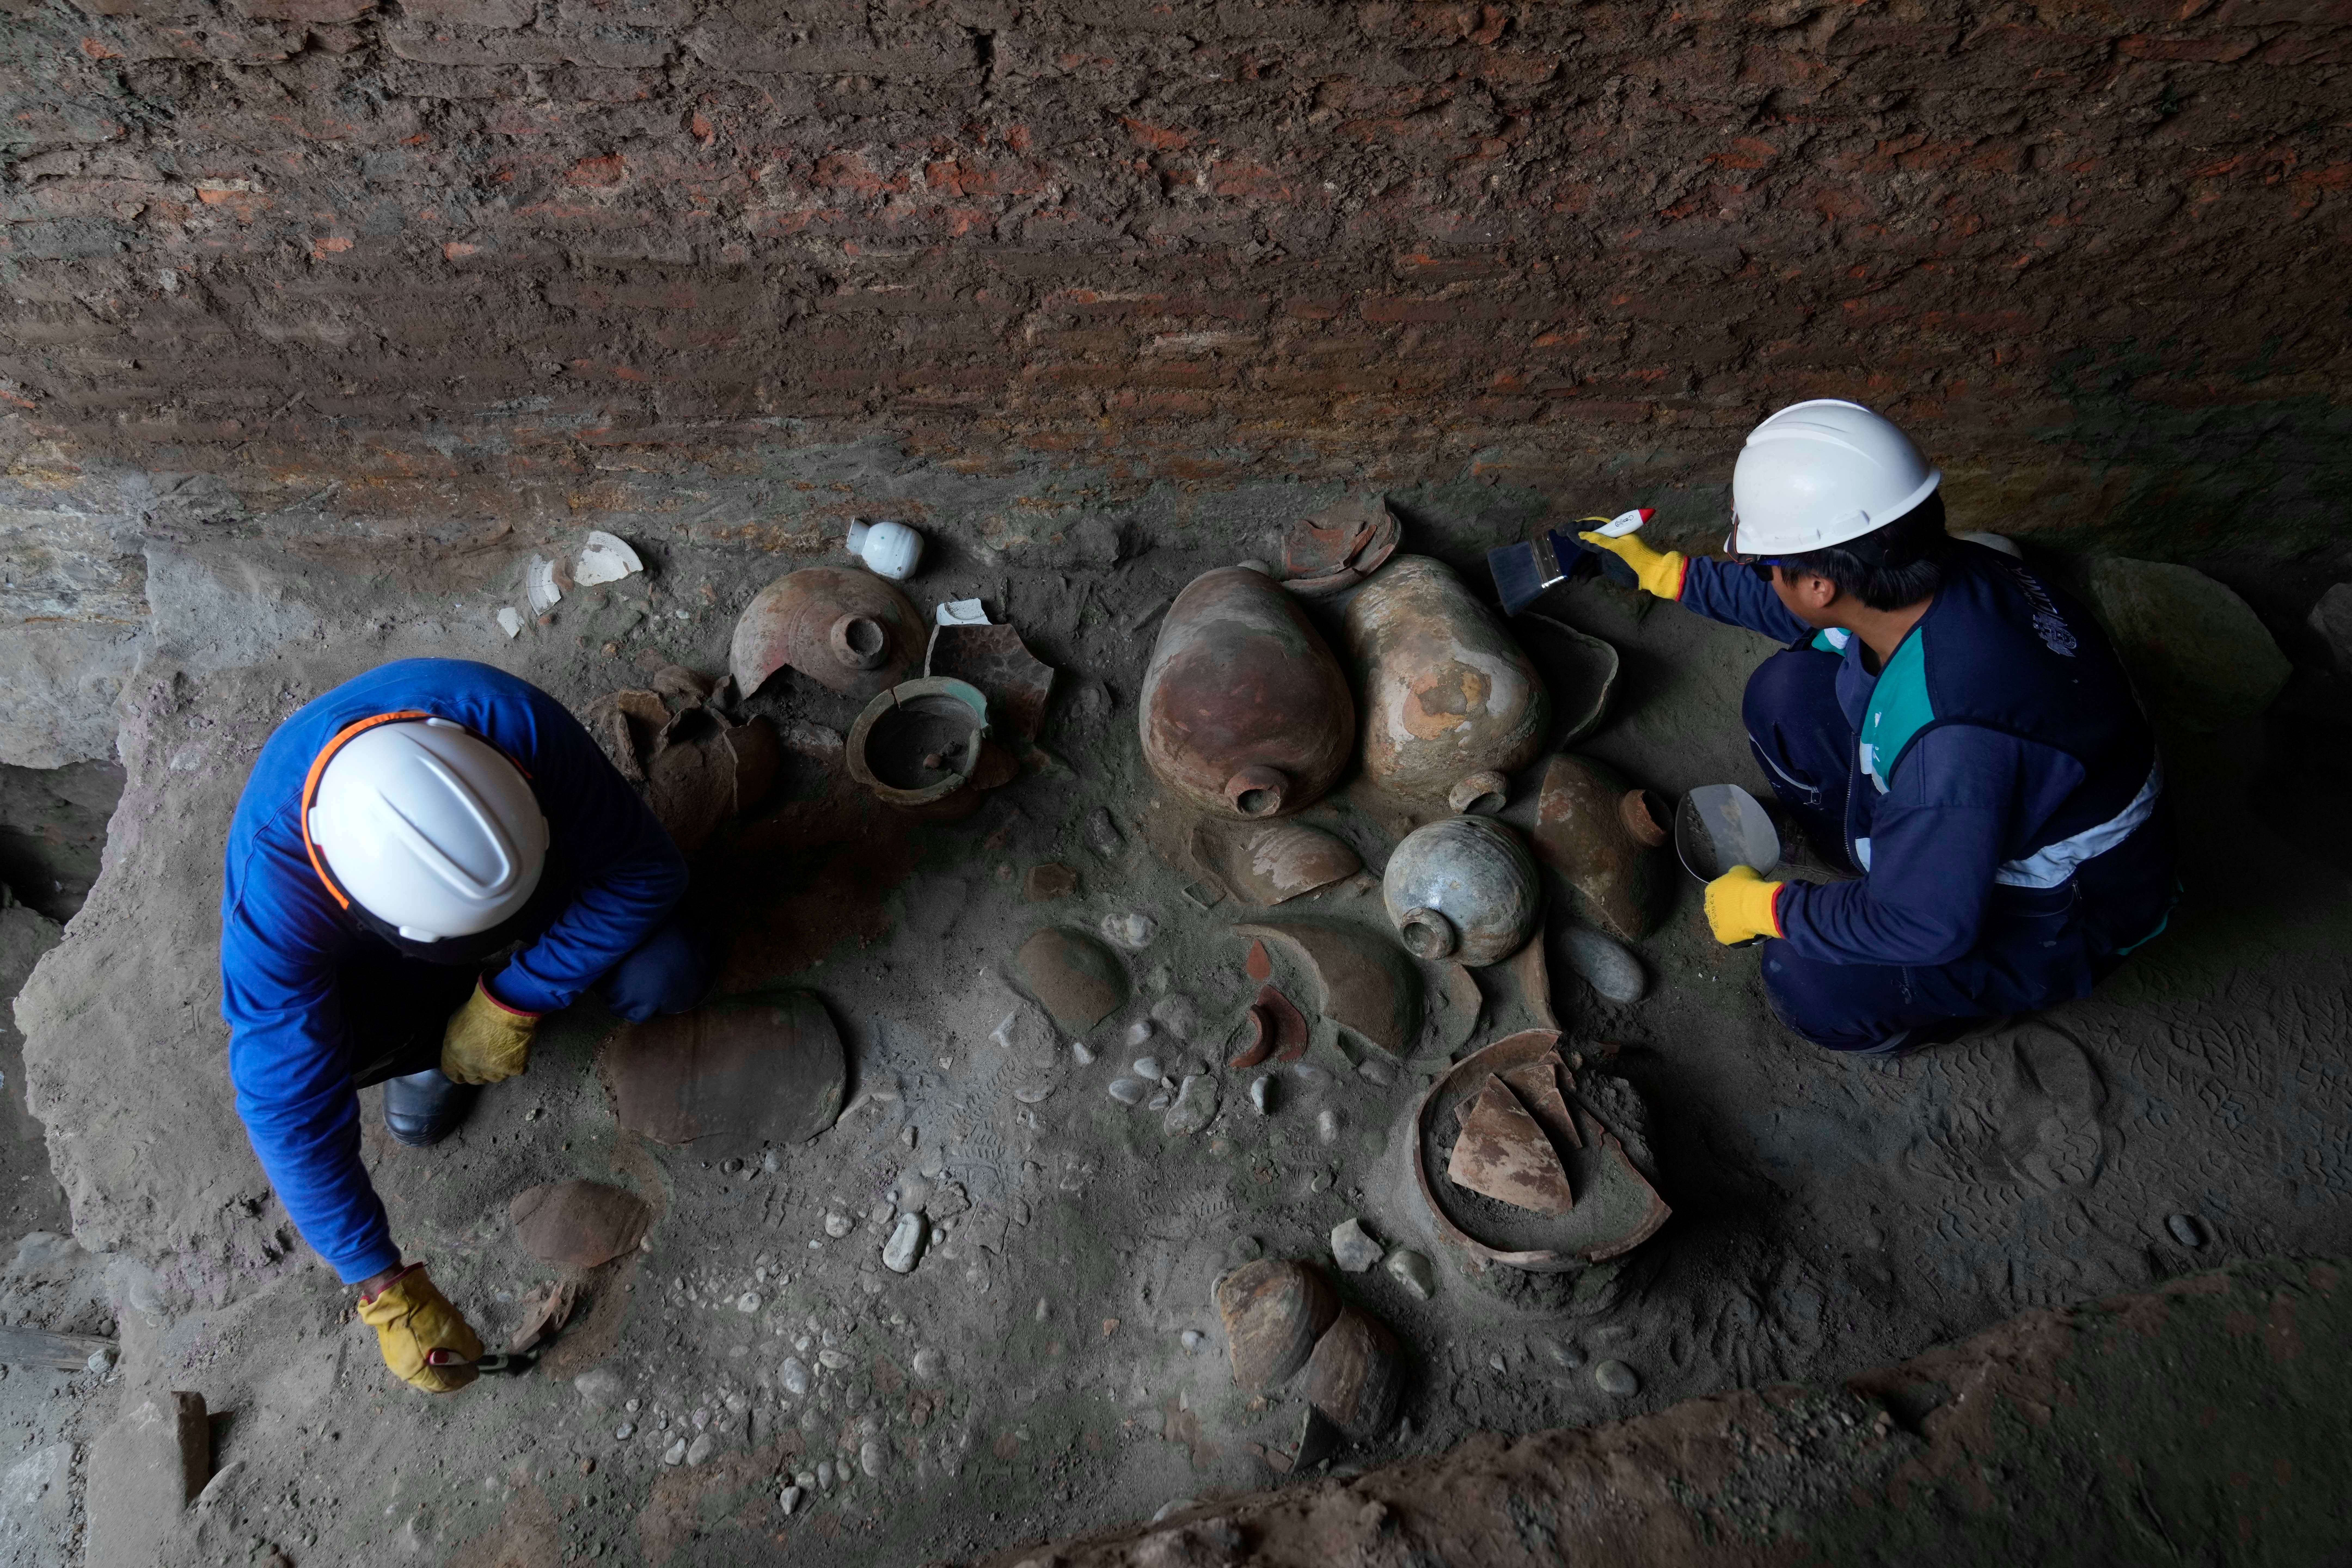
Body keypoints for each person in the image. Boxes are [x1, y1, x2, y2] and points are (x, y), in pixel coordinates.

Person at [1580, 400, 2175, 1056]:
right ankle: (1868, 862)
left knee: (1809, 981)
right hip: (1997, 783)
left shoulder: (1952, 746)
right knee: (1787, 696)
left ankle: (1959, 1004)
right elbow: (1805, 609)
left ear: (1819, 585)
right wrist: (1670, 575)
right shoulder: (1947, 571)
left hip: (2067, 904)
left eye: (1764, 565)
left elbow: (1925, 924)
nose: (1762, 575)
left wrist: (1773, 910)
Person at [220, 659, 709, 1391]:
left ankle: (490, 983)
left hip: (538, 871)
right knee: (325, 1046)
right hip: (388, 953)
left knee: (665, 973)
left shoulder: (515, 727)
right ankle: (430, 1044)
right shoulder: (276, 891)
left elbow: (649, 874)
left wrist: (515, 996)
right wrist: (383, 1286)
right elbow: (284, 1107)